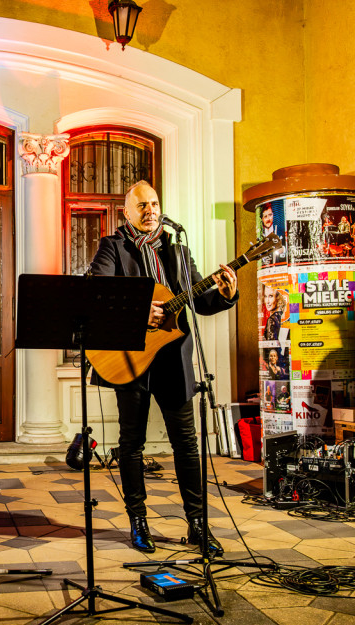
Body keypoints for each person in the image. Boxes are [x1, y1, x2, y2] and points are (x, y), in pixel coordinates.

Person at [88, 180, 238, 555]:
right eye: (141, 205)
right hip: (131, 356)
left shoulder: (178, 251)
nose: (150, 210)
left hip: (173, 358)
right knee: (131, 444)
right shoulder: (113, 247)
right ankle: (138, 522)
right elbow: (98, 293)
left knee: (187, 444)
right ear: (126, 211)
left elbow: (199, 301)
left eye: (154, 203)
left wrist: (225, 293)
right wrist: (140, 312)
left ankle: (198, 524)